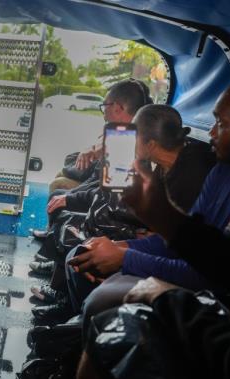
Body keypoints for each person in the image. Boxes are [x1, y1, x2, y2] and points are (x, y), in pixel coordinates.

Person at [74, 81, 230, 379]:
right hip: (202, 282)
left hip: (220, 304)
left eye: (222, 123)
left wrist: (128, 256)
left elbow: (219, 275)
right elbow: (196, 243)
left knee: (103, 310)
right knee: (88, 260)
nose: (213, 133)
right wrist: (126, 246)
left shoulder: (195, 171)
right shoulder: (222, 173)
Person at [65, 104, 217, 316]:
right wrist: (121, 246)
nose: (128, 139)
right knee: (83, 252)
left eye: (133, 135)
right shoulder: (164, 165)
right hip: (152, 243)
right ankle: (74, 318)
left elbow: (183, 246)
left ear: (151, 144)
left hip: (178, 268)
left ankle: (78, 324)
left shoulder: (191, 178)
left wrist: (124, 255)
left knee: (86, 263)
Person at [31, 79, 154, 317]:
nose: (103, 111)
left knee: (69, 225)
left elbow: (113, 200)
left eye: (105, 105)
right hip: (123, 218)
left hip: (125, 224)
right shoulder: (124, 137)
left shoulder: (125, 141)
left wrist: (73, 203)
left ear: (118, 107)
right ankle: (63, 291)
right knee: (67, 217)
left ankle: (66, 303)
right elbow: (108, 193)